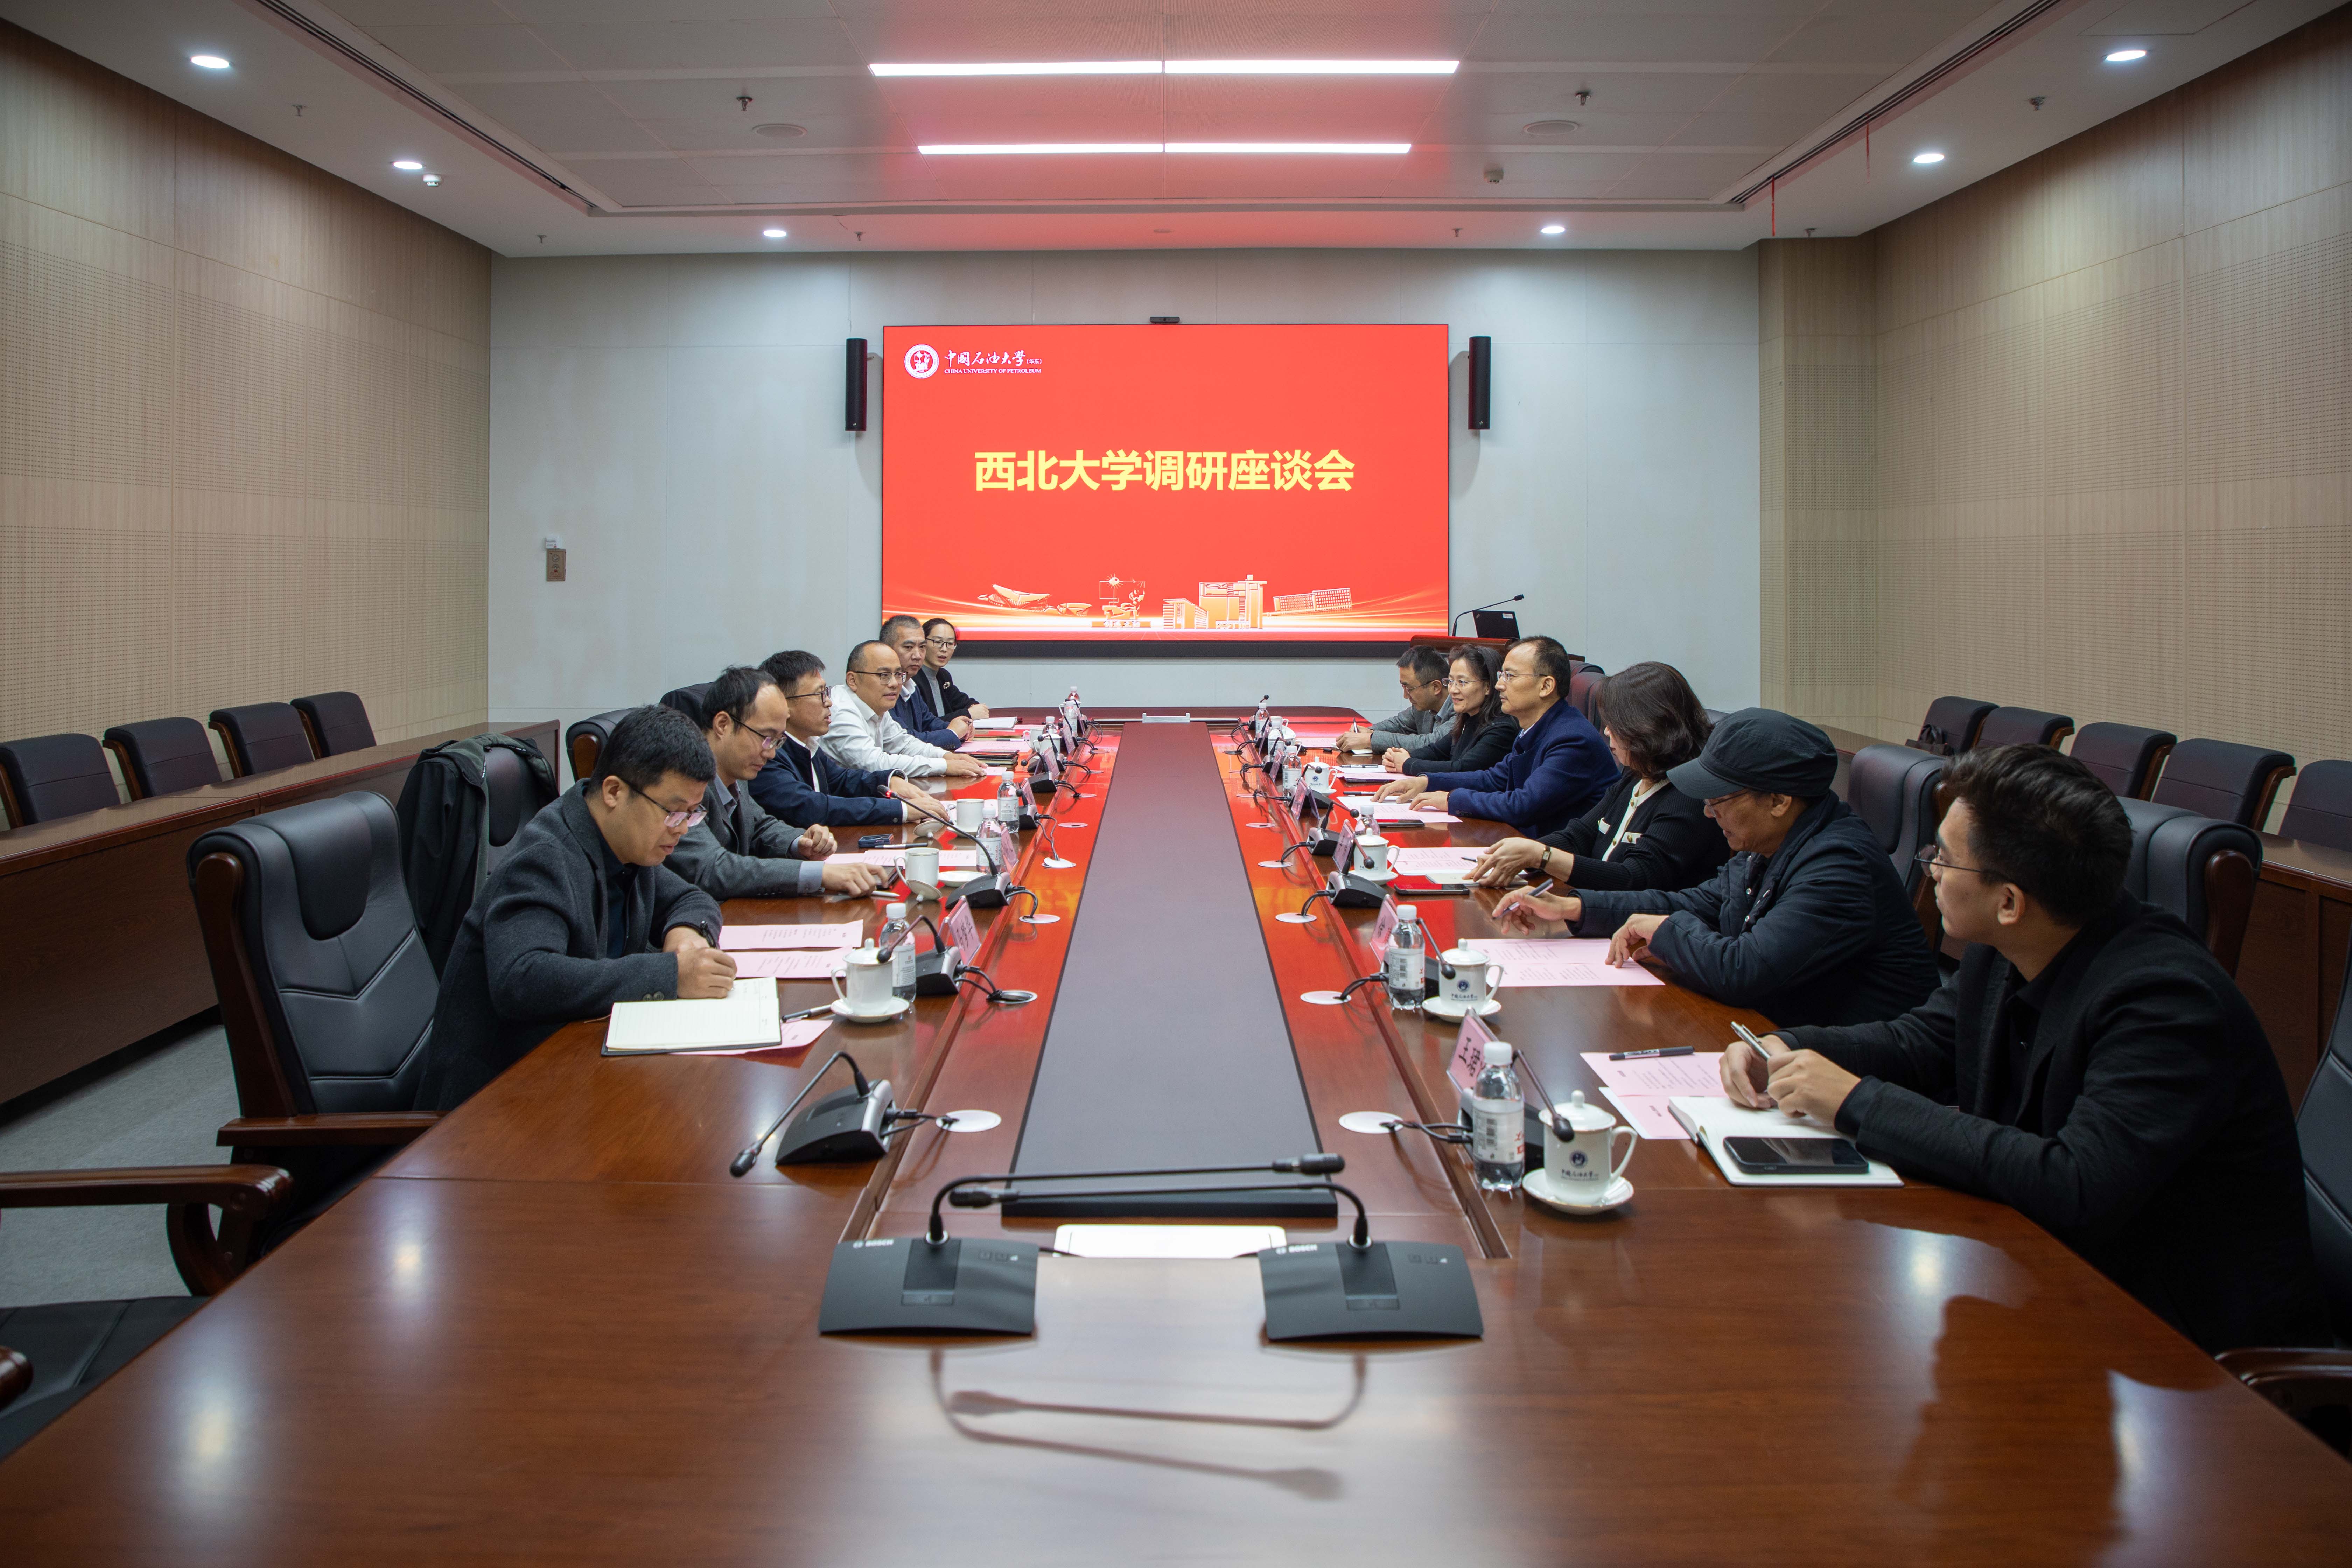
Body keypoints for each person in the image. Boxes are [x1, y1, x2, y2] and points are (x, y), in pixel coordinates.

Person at [1720, 744, 2328, 1353]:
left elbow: (2076, 1184)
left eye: (1944, 858)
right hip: (2054, 1274)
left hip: (2181, 1342)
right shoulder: (2017, 944)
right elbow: (1923, 1042)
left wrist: (1856, 1102)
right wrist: (1786, 1045)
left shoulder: (2168, 1002)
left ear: (2009, 902)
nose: (1930, 869)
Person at [1495, 707, 1939, 1026]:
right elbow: (1697, 901)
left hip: (1848, 1073)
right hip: (1773, 1036)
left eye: (1719, 799)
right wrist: (1575, 908)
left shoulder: (1840, 866)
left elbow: (1745, 970)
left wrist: (1667, 933)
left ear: (1779, 801)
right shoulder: (1770, 840)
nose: (1707, 812)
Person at [422, 705, 732, 1112]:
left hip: (575, 1073)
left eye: (693, 814)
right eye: (673, 812)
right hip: (493, 1107)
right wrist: (671, 974)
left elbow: (691, 899)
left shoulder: (628, 846)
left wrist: (687, 935)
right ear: (615, 791)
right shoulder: (546, 857)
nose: (682, 828)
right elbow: (523, 978)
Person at [1469, 661, 1731, 894]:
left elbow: (1636, 878)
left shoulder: (1687, 795)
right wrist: (1517, 855)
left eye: (1615, 724)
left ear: (1646, 729)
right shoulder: (1635, 776)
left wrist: (1542, 856)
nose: (1606, 732)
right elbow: (1580, 835)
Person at [667, 665, 880, 898]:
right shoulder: (681, 782)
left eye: (778, 741)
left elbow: (759, 825)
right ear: (723, 725)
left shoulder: (737, 770)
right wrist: (817, 874)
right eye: (766, 738)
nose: (771, 754)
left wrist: (800, 842)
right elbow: (712, 869)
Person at [1374, 636, 1615, 838]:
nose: (1499, 685)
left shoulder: (1572, 740)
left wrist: (1451, 799)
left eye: (1510, 676)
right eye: (1501, 675)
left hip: (1555, 863)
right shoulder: (1535, 728)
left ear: (1546, 686)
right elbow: (1494, 779)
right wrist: (1427, 782)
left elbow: (1522, 805)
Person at [750, 650, 952, 829]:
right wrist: (901, 810)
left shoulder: (808, 744)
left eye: (826, 692)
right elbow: (812, 807)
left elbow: (842, 780)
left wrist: (889, 781)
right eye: (819, 694)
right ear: (784, 705)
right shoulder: (768, 755)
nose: (829, 702)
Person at [827, 639, 988, 783]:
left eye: (898, 675)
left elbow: (903, 744)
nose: (894, 684)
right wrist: (944, 766)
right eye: (884, 675)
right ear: (853, 680)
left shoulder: (875, 704)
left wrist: (946, 756)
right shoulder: (841, 712)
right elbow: (874, 763)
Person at [1382, 645, 1517, 778]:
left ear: (1488, 686)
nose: (1453, 690)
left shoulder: (1502, 729)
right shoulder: (1468, 719)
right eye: (1451, 681)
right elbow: (1436, 751)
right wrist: (1398, 757)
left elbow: (1462, 769)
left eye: (1462, 682)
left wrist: (1407, 764)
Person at [1338, 646, 1451, 754]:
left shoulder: (1458, 709)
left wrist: (1370, 739)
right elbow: (1400, 724)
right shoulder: (1425, 706)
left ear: (1436, 687)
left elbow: (1431, 743)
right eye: (1404, 687)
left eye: (1410, 689)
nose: (1406, 696)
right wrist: (1369, 732)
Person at [880, 614, 968, 746]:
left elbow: (929, 722)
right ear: (888, 649)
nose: (918, 656)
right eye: (909, 647)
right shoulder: (882, 689)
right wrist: (952, 733)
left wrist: (960, 727)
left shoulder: (910, 685)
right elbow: (905, 740)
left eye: (922, 647)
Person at [913, 618, 987, 724]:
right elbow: (925, 724)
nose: (944, 649)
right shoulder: (913, 678)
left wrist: (973, 708)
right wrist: (968, 714)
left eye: (950, 644)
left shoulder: (943, 676)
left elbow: (965, 702)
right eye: (938, 642)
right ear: (923, 643)